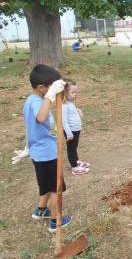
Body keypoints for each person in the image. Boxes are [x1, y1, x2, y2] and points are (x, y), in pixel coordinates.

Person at [23, 64, 72, 232]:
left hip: (39, 152)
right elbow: (40, 117)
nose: (54, 92)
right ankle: (55, 221)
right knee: (54, 189)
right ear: (42, 88)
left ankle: (41, 210)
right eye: (52, 88)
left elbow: (30, 126)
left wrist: (27, 146)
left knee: (45, 186)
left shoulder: (30, 100)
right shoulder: (38, 102)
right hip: (47, 154)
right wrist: (49, 98)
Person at [62, 78, 90, 175]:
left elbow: (74, 116)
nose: (75, 94)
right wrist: (69, 133)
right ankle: (74, 167)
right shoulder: (64, 105)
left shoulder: (70, 103)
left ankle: (77, 162)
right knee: (71, 149)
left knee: (74, 147)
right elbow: (64, 121)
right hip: (71, 132)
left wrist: (79, 113)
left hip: (76, 130)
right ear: (64, 92)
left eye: (76, 92)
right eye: (72, 92)